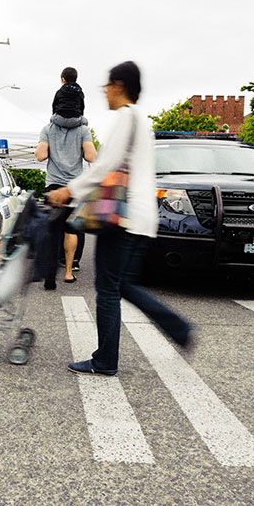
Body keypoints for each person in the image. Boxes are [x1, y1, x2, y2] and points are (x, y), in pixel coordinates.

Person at [46, 61, 194, 376]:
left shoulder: (126, 117)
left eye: (108, 85)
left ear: (120, 85)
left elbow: (104, 166)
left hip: (123, 218)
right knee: (122, 285)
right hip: (142, 218)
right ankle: (178, 327)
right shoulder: (142, 120)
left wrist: (67, 191)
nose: (105, 91)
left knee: (108, 288)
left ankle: (105, 360)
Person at [36, 69, 97, 289]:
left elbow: (41, 155)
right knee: (71, 230)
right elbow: (91, 156)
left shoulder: (48, 129)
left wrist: (50, 147)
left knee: (53, 231)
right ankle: (69, 272)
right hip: (74, 188)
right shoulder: (83, 130)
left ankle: (50, 275)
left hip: (53, 186)